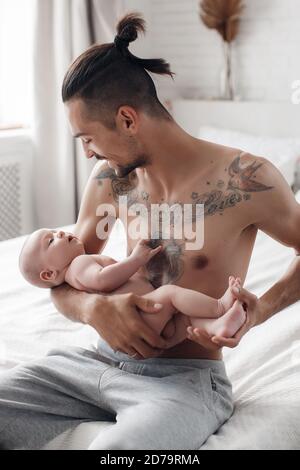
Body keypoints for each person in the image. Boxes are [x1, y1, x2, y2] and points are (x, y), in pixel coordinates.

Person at [1, 12, 300, 450]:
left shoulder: (247, 179)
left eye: (87, 137)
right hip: (93, 363)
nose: (87, 153)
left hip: (183, 382)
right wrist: (91, 311)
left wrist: (257, 313)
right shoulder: (109, 180)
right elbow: (65, 277)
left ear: (126, 118)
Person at [18, 228, 246, 340]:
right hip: (140, 313)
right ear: (48, 274)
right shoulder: (78, 265)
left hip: (143, 319)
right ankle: (219, 307)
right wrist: (135, 260)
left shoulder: (76, 270)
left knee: (183, 319)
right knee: (171, 294)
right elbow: (103, 280)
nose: (59, 232)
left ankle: (218, 328)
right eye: (51, 240)